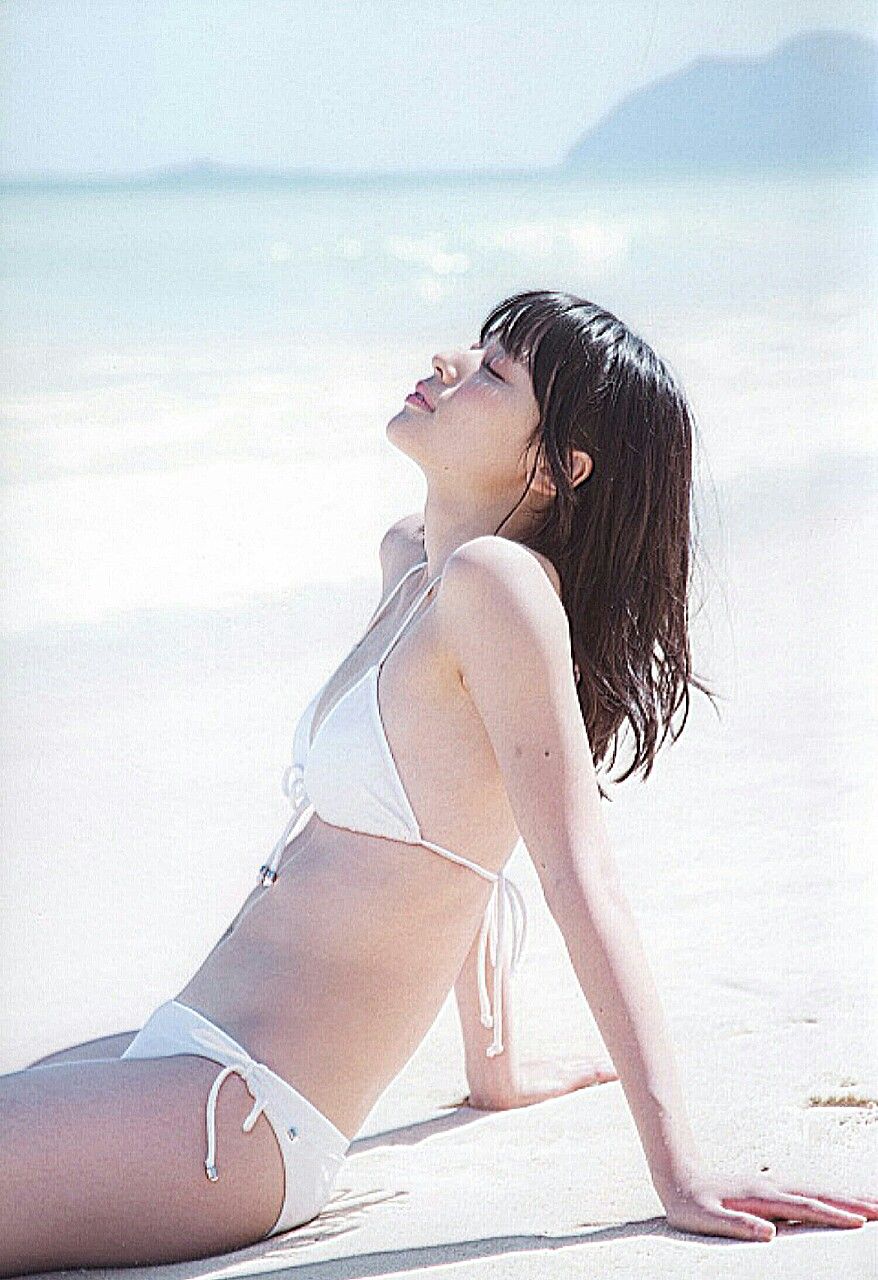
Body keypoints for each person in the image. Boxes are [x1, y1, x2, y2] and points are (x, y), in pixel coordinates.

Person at [2, 289, 874, 1273]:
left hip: (242, 1113)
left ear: (556, 467)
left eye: (495, 371)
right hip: (178, 1045)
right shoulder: (415, 566)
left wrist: (681, 1171)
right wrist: (493, 1065)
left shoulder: (498, 584)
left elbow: (577, 873)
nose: (448, 361)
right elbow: (458, 823)